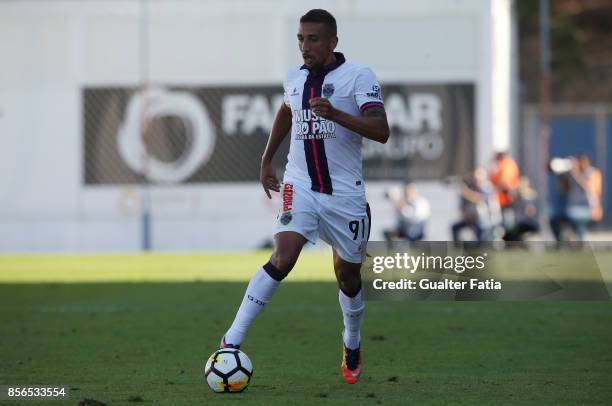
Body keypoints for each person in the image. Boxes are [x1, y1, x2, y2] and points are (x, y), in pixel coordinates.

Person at [218, 9, 389, 385]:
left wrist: (337, 115)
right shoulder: (294, 79)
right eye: (300, 38)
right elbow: (286, 110)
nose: (304, 46)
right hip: (301, 186)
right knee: (284, 256)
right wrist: (267, 158)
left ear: (332, 42)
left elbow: (381, 130)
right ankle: (230, 342)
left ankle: (352, 340)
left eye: (313, 39)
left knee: (347, 276)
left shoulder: (358, 76)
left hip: (345, 195)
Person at [550, 154, 602, 243]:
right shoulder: (572, 174)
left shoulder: (593, 173)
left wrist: (575, 174)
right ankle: (561, 243)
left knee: (574, 216)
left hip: (590, 209)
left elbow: (586, 189)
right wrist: (561, 175)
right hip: (572, 209)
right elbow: (562, 191)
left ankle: (582, 241)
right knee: (554, 220)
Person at [451, 168, 498, 244]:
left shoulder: (487, 187)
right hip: (471, 218)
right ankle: (458, 248)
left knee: (480, 228)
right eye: (475, 176)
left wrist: (465, 192)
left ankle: (481, 246)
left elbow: (479, 199)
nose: (476, 178)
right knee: (455, 227)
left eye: (479, 176)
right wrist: (466, 215)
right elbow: (461, 206)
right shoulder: (471, 187)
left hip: (486, 219)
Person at [383, 183, 430, 247]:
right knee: (387, 232)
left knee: (411, 232)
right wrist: (395, 228)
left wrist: (403, 209)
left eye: (409, 191)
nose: (407, 193)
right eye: (405, 192)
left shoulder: (421, 202)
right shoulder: (402, 202)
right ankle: (392, 251)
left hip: (417, 228)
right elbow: (397, 219)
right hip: (404, 228)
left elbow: (416, 217)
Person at [489, 151, 520, 233]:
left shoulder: (506, 164)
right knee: (505, 222)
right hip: (503, 199)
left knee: (508, 223)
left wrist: (495, 185)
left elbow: (505, 183)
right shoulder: (503, 164)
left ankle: (512, 241)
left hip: (507, 198)